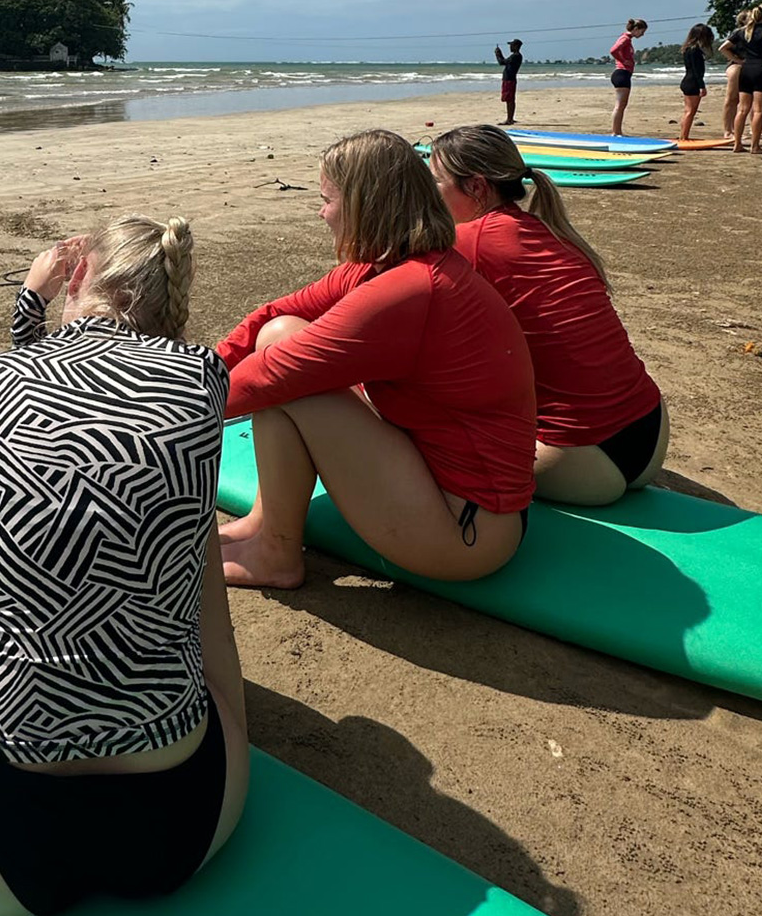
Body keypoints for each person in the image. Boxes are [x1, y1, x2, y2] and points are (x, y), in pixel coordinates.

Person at [0, 217, 249, 916]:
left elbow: (38, 410)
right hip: (181, 818)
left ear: (74, 278)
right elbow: (89, 411)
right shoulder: (203, 377)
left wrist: (27, 304)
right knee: (187, 533)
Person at [215, 128, 536, 592]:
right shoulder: (388, 264)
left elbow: (272, 377)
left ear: (364, 204)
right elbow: (276, 313)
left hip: (469, 530)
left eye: (326, 199)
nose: (321, 212)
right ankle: (266, 527)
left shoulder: (411, 288)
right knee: (279, 334)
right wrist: (194, 371)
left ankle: (275, 555)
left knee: (288, 381)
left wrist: (160, 419)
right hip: (447, 487)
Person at [429, 126, 668, 505]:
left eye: (436, 181)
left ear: (476, 187)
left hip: (577, 454)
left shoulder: (472, 240)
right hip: (650, 429)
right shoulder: (551, 230)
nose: (430, 194)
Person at [726, 3, 762, 157]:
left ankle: (737, 144)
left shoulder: (743, 31)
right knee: (759, 110)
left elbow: (723, 47)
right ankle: (755, 146)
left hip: (746, 70)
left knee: (742, 109)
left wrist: (737, 60)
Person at [608, 18, 647, 134]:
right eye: (642, 31)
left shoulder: (628, 40)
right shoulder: (625, 38)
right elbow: (613, 50)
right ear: (636, 29)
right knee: (620, 105)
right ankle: (616, 132)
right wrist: (623, 60)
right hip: (621, 74)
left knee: (622, 105)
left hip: (624, 74)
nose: (643, 34)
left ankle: (617, 131)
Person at [678, 24, 715, 142]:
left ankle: (683, 135)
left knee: (688, 111)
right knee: (690, 111)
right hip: (692, 82)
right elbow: (696, 70)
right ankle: (684, 137)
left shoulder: (687, 49)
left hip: (687, 80)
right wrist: (701, 86)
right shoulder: (694, 51)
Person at [494, 39, 523, 125]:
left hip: (509, 80)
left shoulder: (515, 56)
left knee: (509, 100)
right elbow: (504, 62)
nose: (510, 47)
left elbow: (502, 62)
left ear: (516, 46)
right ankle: (510, 118)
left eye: (511, 45)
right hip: (510, 79)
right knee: (510, 99)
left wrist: (498, 54)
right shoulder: (516, 56)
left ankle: (509, 119)